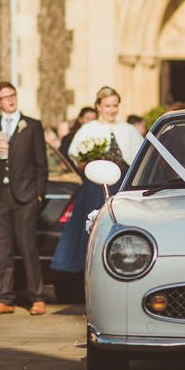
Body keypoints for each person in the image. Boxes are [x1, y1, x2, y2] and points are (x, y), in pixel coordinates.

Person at [52, 87, 143, 274]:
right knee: (91, 228)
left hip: (122, 188)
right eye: (108, 106)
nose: (112, 110)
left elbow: (139, 160)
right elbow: (78, 160)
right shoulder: (89, 129)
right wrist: (91, 164)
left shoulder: (128, 130)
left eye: (115, 106)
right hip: (94, 188)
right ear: (99, 106)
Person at [0, 82, 48, 316]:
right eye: (4, 97)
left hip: (26, 194)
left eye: (12, 95)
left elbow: (42, 164)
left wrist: (39, 193)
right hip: (0, 195)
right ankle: (5, 298)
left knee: (28, 247)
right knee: (2, 248)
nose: (10, 100)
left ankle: (37, 297)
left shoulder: (32, 125)